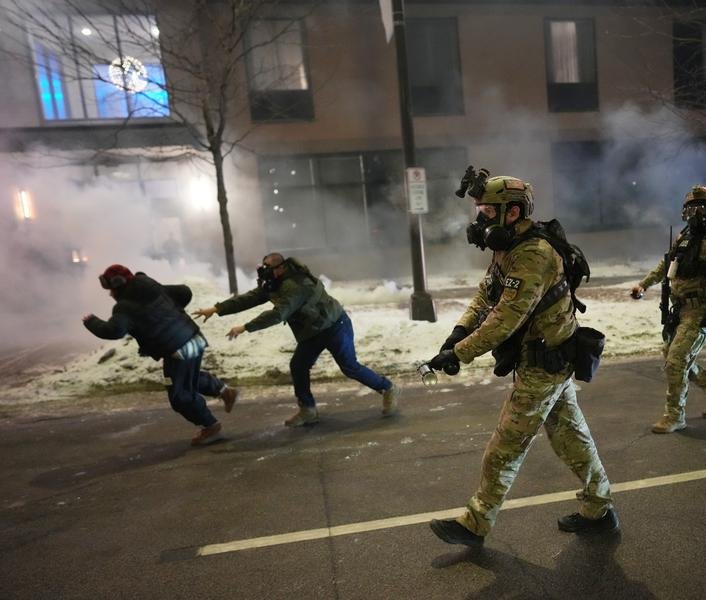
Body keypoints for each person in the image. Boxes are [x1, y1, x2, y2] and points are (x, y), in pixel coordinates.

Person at [426, 170, 618, 548]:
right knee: (571, 438)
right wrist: (458, 333)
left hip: (544, 364)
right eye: (479, 211)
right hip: (545, 360)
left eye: (486, 211)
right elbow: (486, 295)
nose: (480, 219)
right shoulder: (508, 246)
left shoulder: (534, 254)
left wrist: (460, 354)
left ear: (511, 212)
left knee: (504, 449)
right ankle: (599, 508)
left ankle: (476, 523)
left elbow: (505, 318)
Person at [193, 253, 399, 427]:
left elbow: (278, 314)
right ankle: (308, 410)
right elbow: (249, 298)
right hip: (312, 332)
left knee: (349, 367)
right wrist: (216, 309)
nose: (264, 273)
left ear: (280, 268)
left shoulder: (295, 285)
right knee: (298, 366)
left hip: (335, 326)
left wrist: (245, 327)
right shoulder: (275, 283)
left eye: (268, 268)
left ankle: (387, 388)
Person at [83, 265, 240, 446]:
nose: (110, 294)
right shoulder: (151, 286)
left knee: (180, 396)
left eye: (110, 289)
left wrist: (91, 321)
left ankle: (211, 427)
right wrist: (170, 313)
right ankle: (224, 392)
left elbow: (114, 331)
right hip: (194, 338)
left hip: (178, 349)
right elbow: (184, 292)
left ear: (118, 286)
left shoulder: (124, 308)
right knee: (187, 377)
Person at [631, 185, 706, 433]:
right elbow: (666, 264)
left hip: (702, 309)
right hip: (679, 309)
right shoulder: (685, 237)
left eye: (700, 208)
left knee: (676, 360)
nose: (695, 214)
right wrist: (643, 285)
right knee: (673, 356)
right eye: (690, 209)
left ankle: (674, 416)